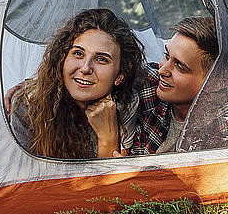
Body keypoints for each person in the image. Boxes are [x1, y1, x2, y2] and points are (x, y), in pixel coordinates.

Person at [8, 8, 143, 159]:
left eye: (101, 59)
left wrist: (108, 139)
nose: (85, 68)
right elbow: (30, 178)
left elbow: (110, 179)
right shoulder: (29, 104)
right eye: (78, 53)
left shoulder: (126, 104)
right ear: (62, 59)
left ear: (119, 76)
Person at [129, 16, 219, 155]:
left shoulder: (227, 121)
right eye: (166, 55)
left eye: (179, 67)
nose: (162, 70)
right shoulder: (146, 83)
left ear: (212, 81)